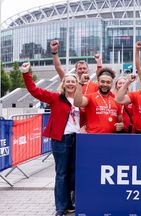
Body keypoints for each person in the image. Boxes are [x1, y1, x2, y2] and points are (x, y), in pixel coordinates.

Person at [21, 62, 78, 216]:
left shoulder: (82, 100)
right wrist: (26, 74)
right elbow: (34, 91)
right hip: (61, 140)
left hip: (78, 140)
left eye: (73, 81)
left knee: (74, 173)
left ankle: (71, 203)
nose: (71, 84)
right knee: (61, 174)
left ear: (77, 84)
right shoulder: (55, 98)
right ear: (64, 84)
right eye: (68, 81)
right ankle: (61, 207)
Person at [74, 67, 124, 133]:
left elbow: (120, 121)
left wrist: (121, 125)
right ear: (98, 82)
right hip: (93, 138)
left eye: (108, 82)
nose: (105, 85)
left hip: (111, 138)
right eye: (102, 82)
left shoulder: (116, 100)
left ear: (111, 84)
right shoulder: (90, 97)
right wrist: (80, 83)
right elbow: (77, 103)